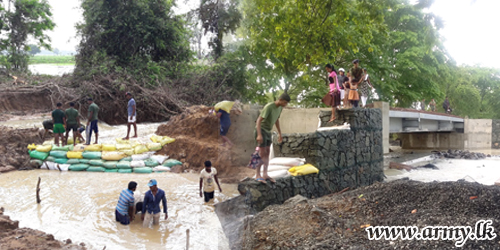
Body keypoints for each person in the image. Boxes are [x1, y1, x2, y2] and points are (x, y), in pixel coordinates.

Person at [254, 92, 290, 183]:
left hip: (268, 131)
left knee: (267, 153)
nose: (285, 105)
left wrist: (280, 133)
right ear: (280, 100)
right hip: (261, 130)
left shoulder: (280, 108)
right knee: (261, 153)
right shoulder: (269, 106)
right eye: (285, 103)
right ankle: (258, 174)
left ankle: (265, 174)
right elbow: (258, 120)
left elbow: (276, 120)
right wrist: (259, 134)